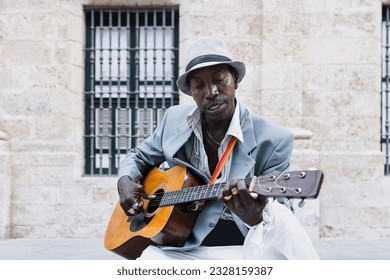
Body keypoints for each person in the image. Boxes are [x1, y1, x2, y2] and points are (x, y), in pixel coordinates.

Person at [117, 36, 319, 259]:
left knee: (280, 224)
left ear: (235, 80)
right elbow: (138, 155)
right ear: (191, 92)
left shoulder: (275, 139)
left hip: (243, 245)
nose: (211, 92)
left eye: (219, 80)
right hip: (181, 244)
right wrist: (125, 180)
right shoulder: (173, 119)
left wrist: (257, 217)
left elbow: (281, 214)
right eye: (199, 86)